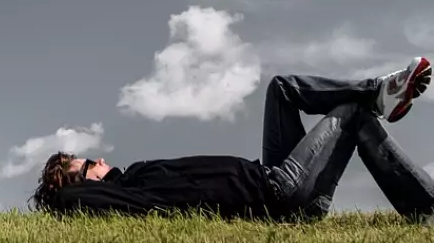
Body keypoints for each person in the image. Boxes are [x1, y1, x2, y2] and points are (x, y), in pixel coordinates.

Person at [29, 56, 434, 222]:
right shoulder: (117, 198)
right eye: (88, 163)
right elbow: (69, 200)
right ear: (85, 181)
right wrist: (62, 188)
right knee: (351, 113)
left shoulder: (132, 176)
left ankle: (379, 94)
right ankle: (377, 94)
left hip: (269, 173)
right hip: (279, 193)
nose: (98, 159)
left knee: (281, 88)